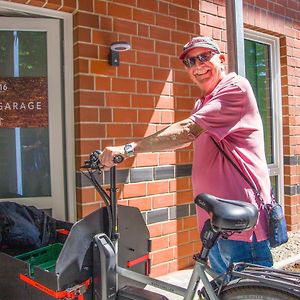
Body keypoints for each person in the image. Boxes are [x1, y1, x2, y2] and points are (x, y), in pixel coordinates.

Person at [100, 36, 273, 274]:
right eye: (190, 62)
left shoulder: (235, 88)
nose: (197, 66)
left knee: (252, 291)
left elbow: (186, 132)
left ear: (221, 59)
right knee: (226, 291)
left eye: (204, 57)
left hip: (240, 221)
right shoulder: (203, 102)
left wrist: (128, 149)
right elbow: (183, 139)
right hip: (215, 221)